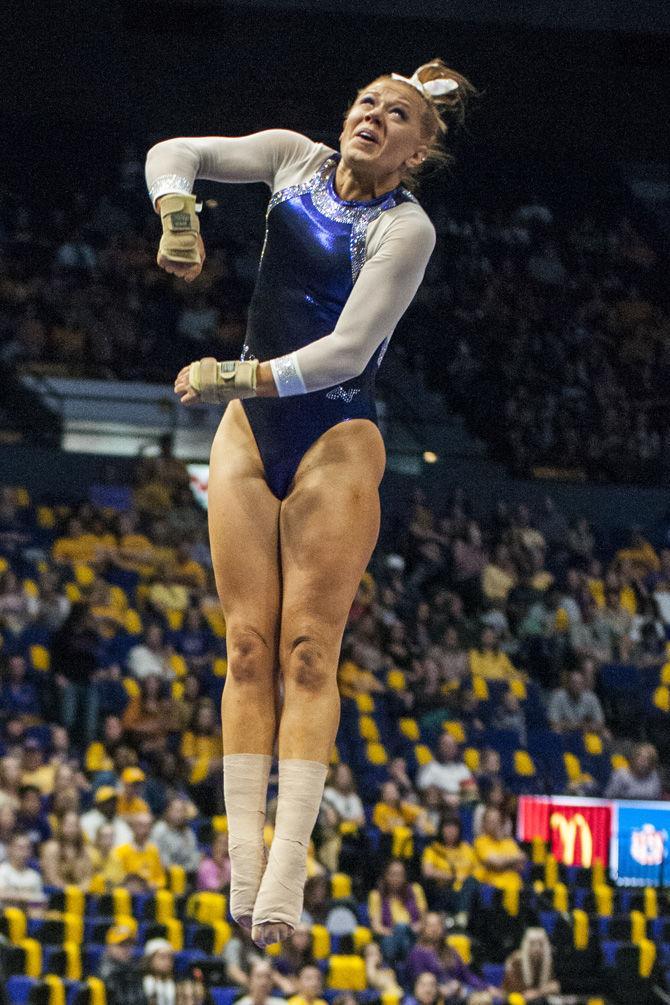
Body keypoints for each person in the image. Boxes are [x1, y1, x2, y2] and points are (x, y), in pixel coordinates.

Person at [146, 57, 475, 947]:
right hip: (250, 436)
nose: (373, 115)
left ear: (417, 151)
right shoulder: (293, 159)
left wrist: (235, 374)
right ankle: (243, 870)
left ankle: (288, 862)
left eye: (396, 114)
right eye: (367, 101)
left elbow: (345, 350)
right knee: (247, 648)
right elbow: (172, 149)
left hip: (333, 436)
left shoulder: (407, 230)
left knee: (303, 652)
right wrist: (178, 216)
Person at [421, 815, 478, 924]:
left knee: (472, 883)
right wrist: (451, 877)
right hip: (442, 888)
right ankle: (460, 918)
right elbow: (427, 871)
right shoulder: (433, 849)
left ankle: (462, 917)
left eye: (454, 828)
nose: (451, 831)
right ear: (441, 829)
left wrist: (462, 878)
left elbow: (475, 870)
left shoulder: (466, 848)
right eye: (447, 827)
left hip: (464, 888)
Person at [368, 859, 427, 963]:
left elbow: (424, 920)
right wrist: (397, 932)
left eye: (400, 874)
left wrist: (408, 930)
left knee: (404, 931)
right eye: (393, 874)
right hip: (389, 939)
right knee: (400, 929)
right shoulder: (376, 895)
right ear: (385, 876)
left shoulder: (416, 890)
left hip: (413, 935)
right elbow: (376, 926)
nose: (396, 878)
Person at [416, 734, 478, 806]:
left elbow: (471, 794)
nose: (449, 748)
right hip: (439, 806)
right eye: (445, 745)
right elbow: (423, 788)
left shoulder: (462, 768)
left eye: (452, 745)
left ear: (456, 748)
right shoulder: (430, 767)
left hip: (461, 805)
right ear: (439, 747)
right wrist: (442, 796)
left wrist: (458, 799)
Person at [473, 807, 526, 891]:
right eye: (491, 821)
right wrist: (511, 861)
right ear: (484, 824)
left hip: (516, 888)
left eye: (497, 820)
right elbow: (496, 863)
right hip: (493, 890)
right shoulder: (480, 841)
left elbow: (521, 864)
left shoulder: (509, 842)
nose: (495, 824)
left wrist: (502, 861)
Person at [502, 928, 560, 1001]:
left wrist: (537, 993)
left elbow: (556, 986)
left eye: (541, 944)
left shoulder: (550, 961)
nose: (537, 948)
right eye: (532, 944)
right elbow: (521, 992)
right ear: (526, 945)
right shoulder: (515, 961)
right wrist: (542, 991)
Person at [98, 924, 147, 1005]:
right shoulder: (103, 974)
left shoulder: (135, 970)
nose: (127, 949)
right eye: (121, 945)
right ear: (109, 947)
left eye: (130, 945)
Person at [547, 669, 606, 735]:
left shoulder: (591, 697)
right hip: (565, 732)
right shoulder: (558, 696)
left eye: (580, 683)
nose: (577, 686)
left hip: (587, 731)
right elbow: (553, 723)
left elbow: (600, 722)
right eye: (574, 683)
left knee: (606, 734)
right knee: (556, 731)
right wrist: (577, 725)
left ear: (584, 685)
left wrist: (589, 726)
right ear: (568, 684)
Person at [151, 797, 201, 873]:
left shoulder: (188, 832)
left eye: (183, 811)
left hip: (187, 873)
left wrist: (185, 869)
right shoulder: (159, 831)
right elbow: (161, 860)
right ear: (168, 811)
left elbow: (194, 857)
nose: (180, 815)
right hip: (165, 875)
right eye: (176, 811)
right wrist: (177, 871)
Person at [0, 833, 46, 912]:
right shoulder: (2, 870)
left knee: (38, 911)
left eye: (27, 848)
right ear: (10, 849)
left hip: (29, 914)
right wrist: (27, 896)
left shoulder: (34, 875)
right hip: (5, 916)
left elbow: (40, 900)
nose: (24, 852)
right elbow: (1, 894)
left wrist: (16, 895)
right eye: (20, 848)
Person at [143, 938, 176, 1005]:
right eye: (162, 957)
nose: (167, 962)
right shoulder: (142, 983)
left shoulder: (175, 984)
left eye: (170, 958)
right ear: (150, 959)